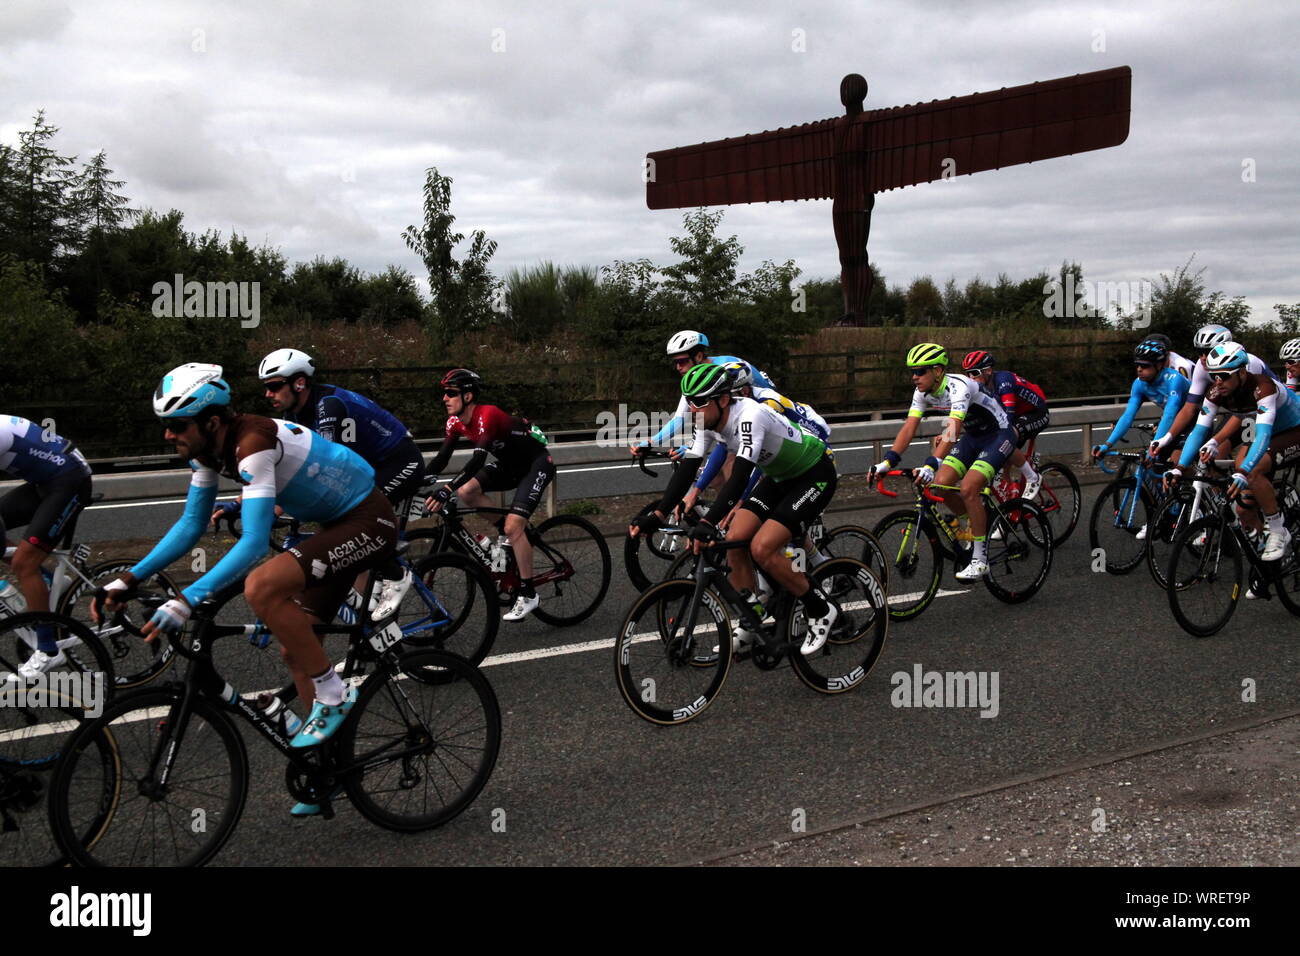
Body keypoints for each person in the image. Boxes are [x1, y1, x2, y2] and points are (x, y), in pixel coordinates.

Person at [93, 364, 398, 767]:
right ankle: (327, 767)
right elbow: (191, 525)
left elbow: (255, 544)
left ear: (212, 421)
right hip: (334, 523)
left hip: (367, 520)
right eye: (166, 425)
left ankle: (333, 693)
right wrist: (129, 579)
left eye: (178, 425)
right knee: (296, 651)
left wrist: (186, 599)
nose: (169, 435)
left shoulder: (253, 443)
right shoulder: (206, 453)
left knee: (261, 586)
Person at [630, 363, 839, 655]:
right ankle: (751, 616)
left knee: (762, 548)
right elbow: (687, 470)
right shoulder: (706, 422)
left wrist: (709, 522)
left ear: (723, 399)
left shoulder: (750, 416)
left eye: (699, 401)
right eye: (689, 402)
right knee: (732, 540)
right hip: (779, 477)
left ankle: (820, 609)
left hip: (813, 474)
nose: (692, 409)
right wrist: (657, 515)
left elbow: (740, 477)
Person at [255, 348, 423, 618]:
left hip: (399, 461)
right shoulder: (292, 415)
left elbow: (325, 468)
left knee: (354, 521)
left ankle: (396, 573)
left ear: (299, 383)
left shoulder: (329, 406)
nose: (268, 394)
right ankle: (373, 640)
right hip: (366, 466)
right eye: (266, 387)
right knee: (350, 551)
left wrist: (283, 505)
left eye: (274, 386)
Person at [867, 343, 1018, 581]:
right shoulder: (921, 392)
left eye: (920, 371)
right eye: (912, 372)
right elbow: (909, 427)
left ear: (937, 371)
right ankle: (974, 524)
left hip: (999, 434)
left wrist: (931, 462)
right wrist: (887, 462)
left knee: (969, 488)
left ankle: (981, 559)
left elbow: (952, 428)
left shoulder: (959, 387)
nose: (914, 377)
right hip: (974, 437)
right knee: (939, 485)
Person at [422, 369, 554, 622]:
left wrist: (445, 489)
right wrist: (415, 482)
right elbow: (440, 460)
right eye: (444, 394)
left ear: (468, 396)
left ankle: (528, 593)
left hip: (536, 463)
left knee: (515, 525)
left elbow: (478, 460)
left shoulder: (487, 415)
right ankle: (504, 532)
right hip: (510, 465)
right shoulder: (455, 422)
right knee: (467, 491)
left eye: (451, 393)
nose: (445, 398)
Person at [1165, 343, 1300, 560]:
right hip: (1263, 427)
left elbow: (1263, 434)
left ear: (1242, 372)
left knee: (1251, 469)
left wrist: (1245, 470)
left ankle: (1278, 530)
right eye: (1214, 375)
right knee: (1242, 508)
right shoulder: (1218, 390)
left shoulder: (1263, 387)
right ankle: (1263, 565)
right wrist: (1180, 468)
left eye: (1225, 376)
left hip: (1293, 429)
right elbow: (1199, 432)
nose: (1219, 381)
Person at [0, 416, 94, 679]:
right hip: (46, 482)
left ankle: (48, 649)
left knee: (23, 563)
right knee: (22, 559)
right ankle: (51, 581)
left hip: (70, 481)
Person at [960, 351, 1047, 500]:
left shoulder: (1003, 381)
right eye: (967, 374)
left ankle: (1032, 477)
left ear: (988, 370)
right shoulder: (979, 387)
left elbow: (1007, 418)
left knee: (1008, 436)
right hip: (1018, 415)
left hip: (1036, 412)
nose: (970, 378)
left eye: (974, 373)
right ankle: (1009, 489)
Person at [1092, 337, 1190, 463]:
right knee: (1152, 468)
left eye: (1145, 366)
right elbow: (1128, 416)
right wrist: (1107, 445)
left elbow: (1169, 415)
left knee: (1176, 465)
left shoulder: (1174, 379)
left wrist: (1153, 448)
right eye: (1137, 365)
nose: (1139, 369)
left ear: (1159, 365)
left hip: (1192, 421)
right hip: (1172, 421)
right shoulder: (1139, 384)